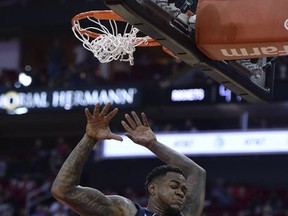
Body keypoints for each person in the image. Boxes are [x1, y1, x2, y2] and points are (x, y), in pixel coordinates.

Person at [51, 103, 206, 216]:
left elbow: (196, 172)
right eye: (174, 186)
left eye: (183, 190)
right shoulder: (126, 210)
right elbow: (63, 191)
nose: (181, 193)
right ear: (153, 188)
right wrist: (89, 139)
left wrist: (153, 144)